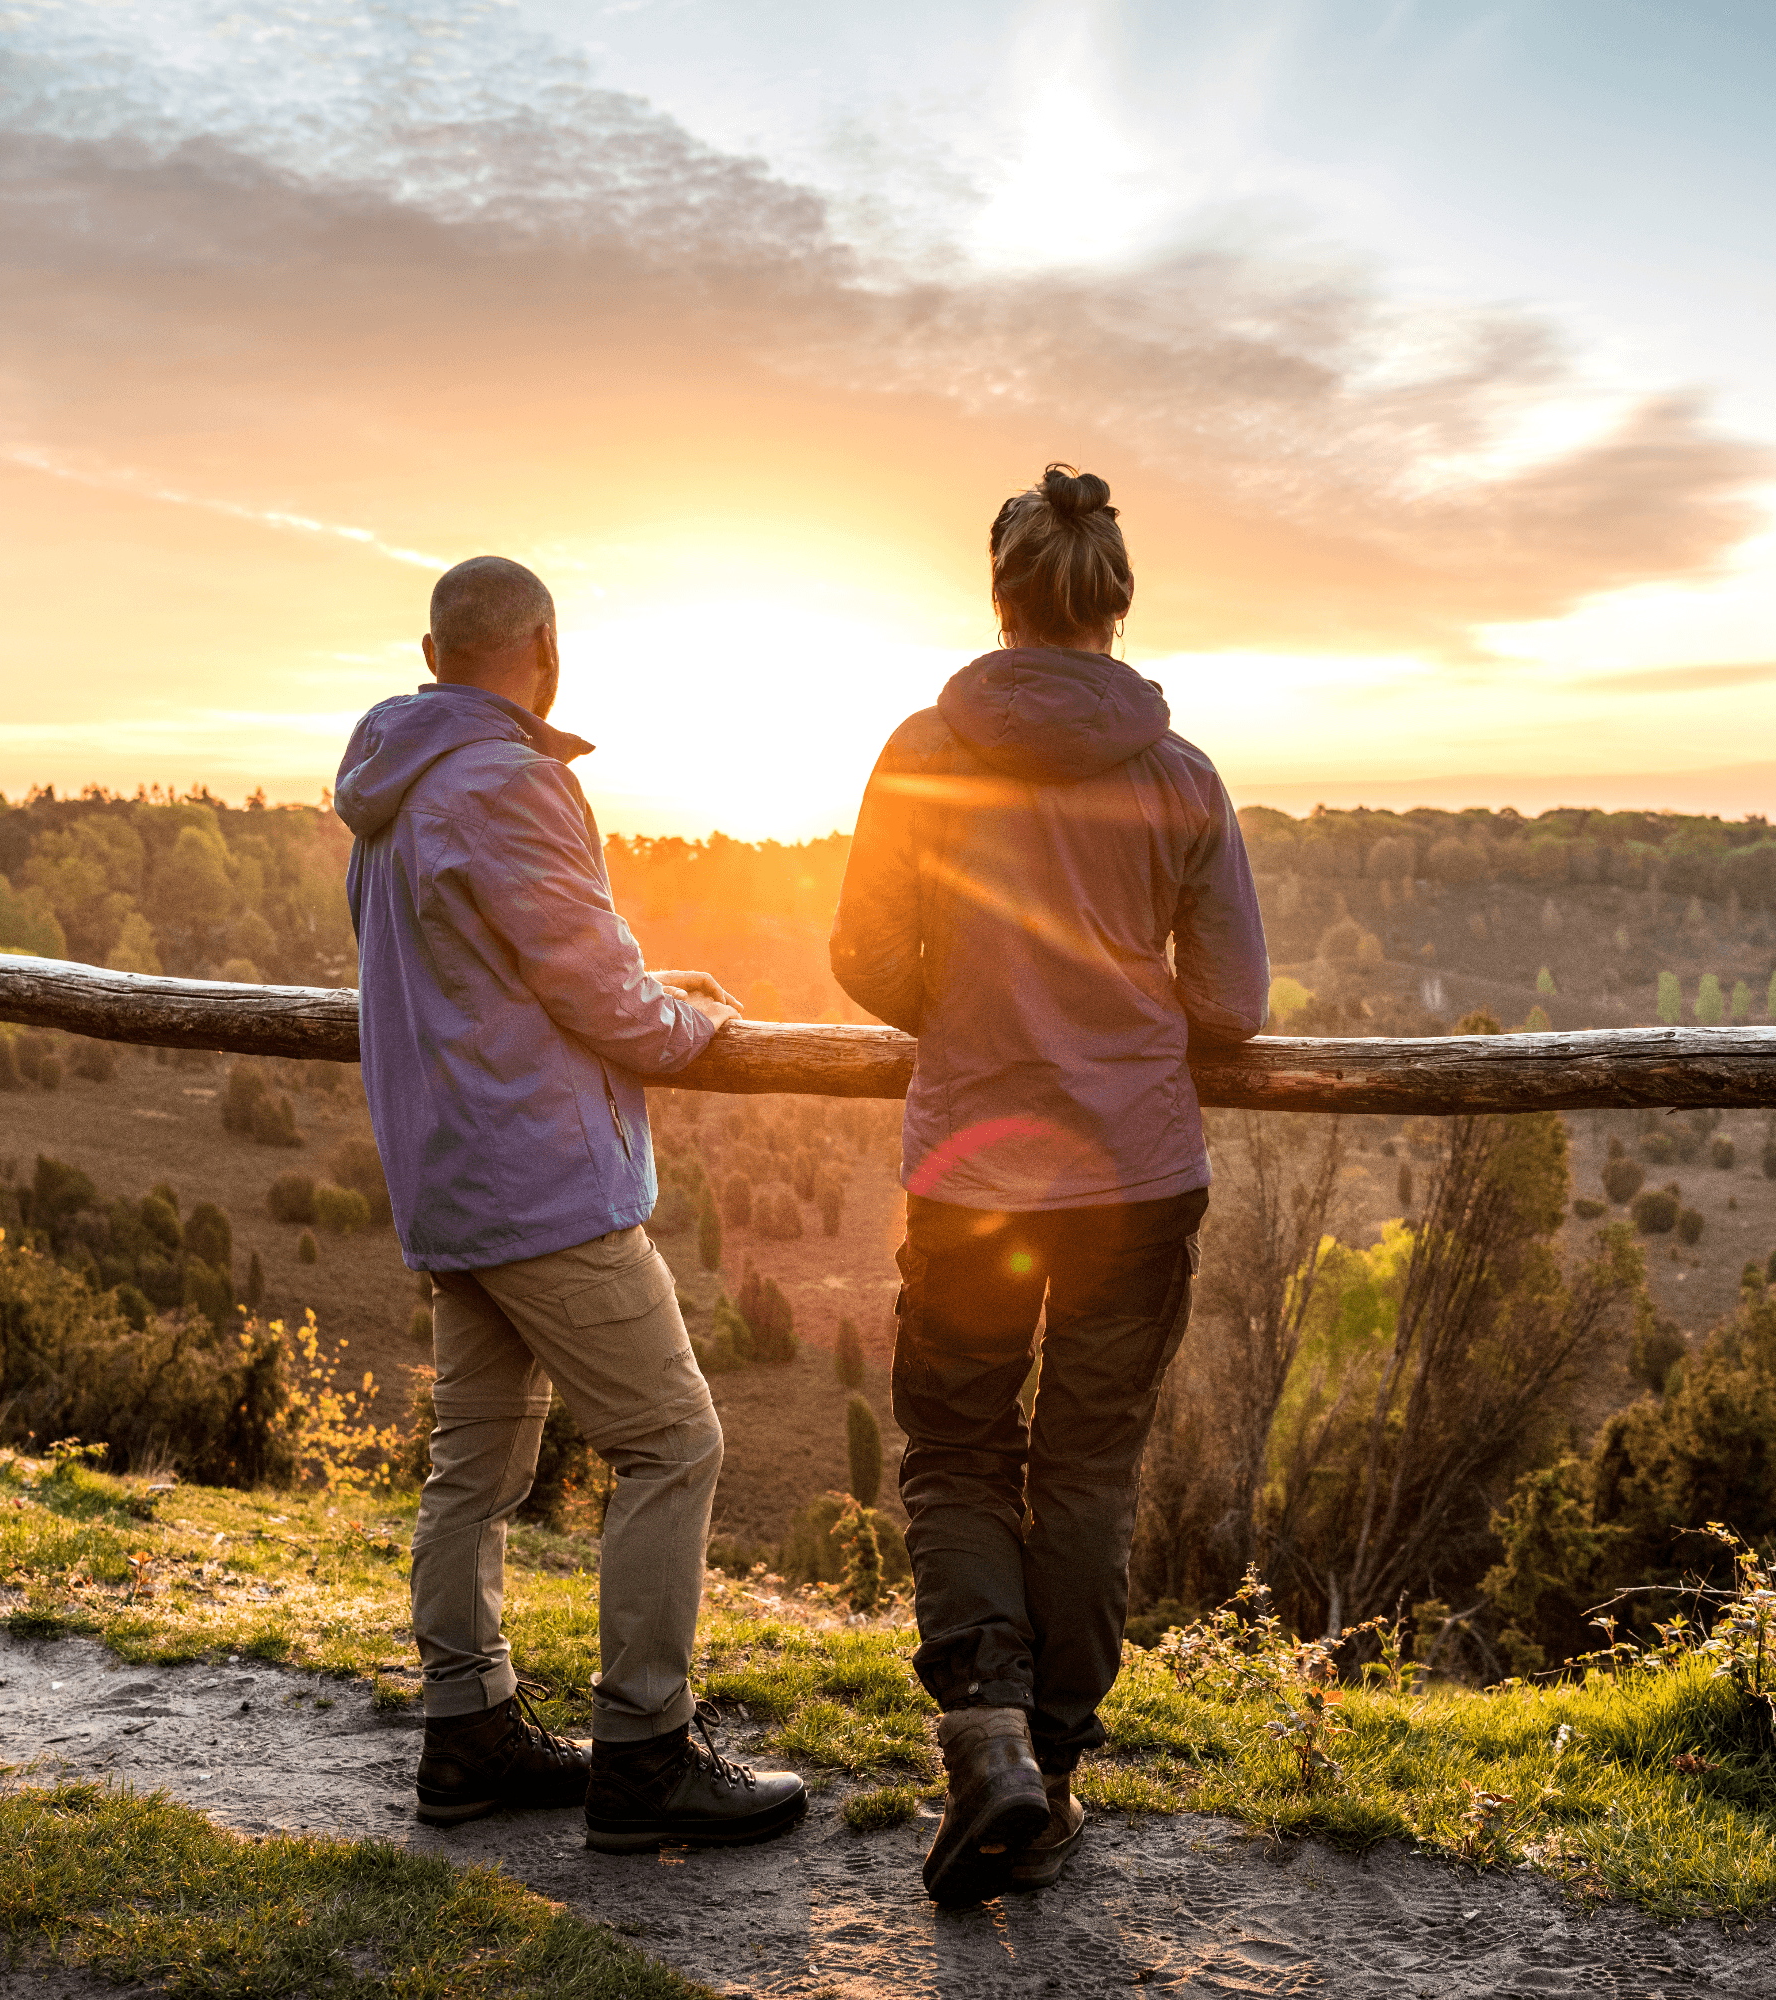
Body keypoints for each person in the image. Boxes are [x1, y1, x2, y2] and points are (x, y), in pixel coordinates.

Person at [831, 465, 1269, 1906]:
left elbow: (865, 958)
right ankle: (1058, 1769)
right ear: (1116, 604)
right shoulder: (1181, 774)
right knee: (1085, 1468)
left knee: (957, 1450)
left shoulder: (920, 752)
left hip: (972, 1175)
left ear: (1003, 596)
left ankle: (990, 1746)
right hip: (1137, 1174)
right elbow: (1237, 1005)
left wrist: (968, 1007)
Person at [336, 554, 807, 1852]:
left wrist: (655, 982)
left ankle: (469, 1737)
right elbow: (599, 995)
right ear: (545, 649)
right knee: (674, 1443)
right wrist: (696, 1027)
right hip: (539, 1180)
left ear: (435, 659)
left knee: (473, 1470)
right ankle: (647, 1753)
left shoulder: (397, 791)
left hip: (448, 1176)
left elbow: (510, 963)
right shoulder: (510, 782)